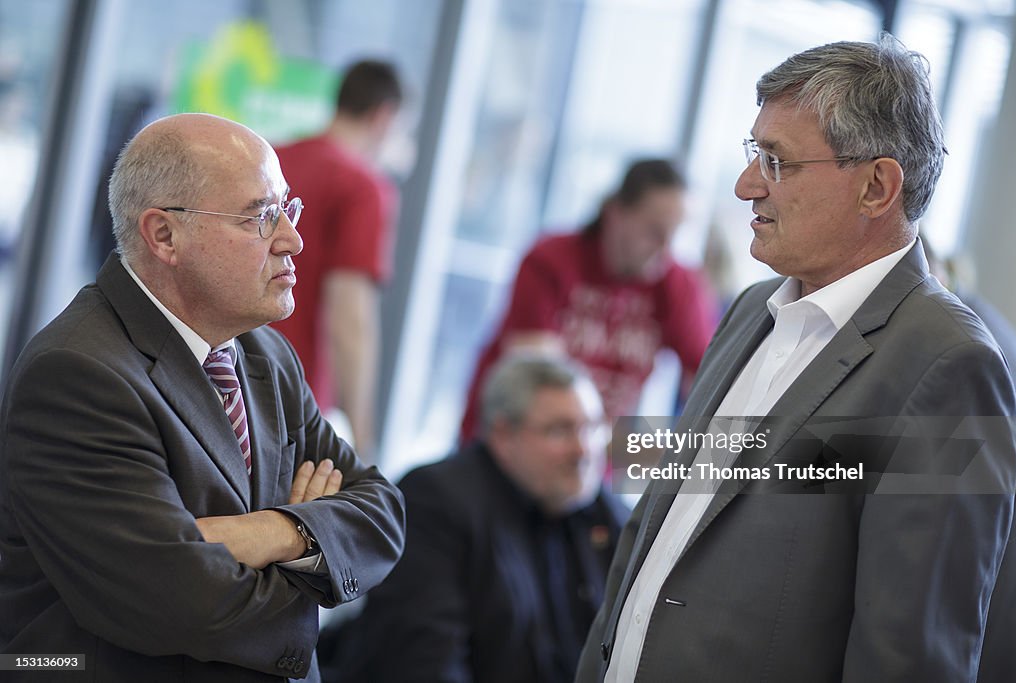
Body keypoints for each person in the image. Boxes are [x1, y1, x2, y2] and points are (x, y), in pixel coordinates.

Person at [576, 35, 1016, 682]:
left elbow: (909, 657)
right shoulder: (751, 309)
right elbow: (658, 528)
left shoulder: (948, 367)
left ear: (876, 186)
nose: (745, 185)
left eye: (777, 162)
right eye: (754, 154)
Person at [0, 113, 405, 682]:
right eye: (261, 217)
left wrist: (270, 531)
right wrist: (314, 553)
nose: (293, 239)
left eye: (288, 208)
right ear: (164, 235)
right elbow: (179, 600)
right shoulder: (78, 372)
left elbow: (383, 514)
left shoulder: (264, 352)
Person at [321, 355, 628, 682]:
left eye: (593, 427)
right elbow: (424, 665)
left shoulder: (608, 515)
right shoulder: (435, 500)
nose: (583, 451)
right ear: (503, 434)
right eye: (559, 431)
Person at [460, 159, 718, 442]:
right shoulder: (551, 260)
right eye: (654, 231)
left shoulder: (679, 284)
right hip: (513, 442)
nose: (665, 248)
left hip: (588, 453)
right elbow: (537, 384)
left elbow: (710, 381)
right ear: (615, 213)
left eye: (675, 234)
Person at [272, 59, 403, 461]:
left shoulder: (271, 158)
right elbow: (352, 318)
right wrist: (364, 443)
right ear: (384, 117)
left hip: (227, 370)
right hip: (293, 398)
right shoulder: (363, 187)